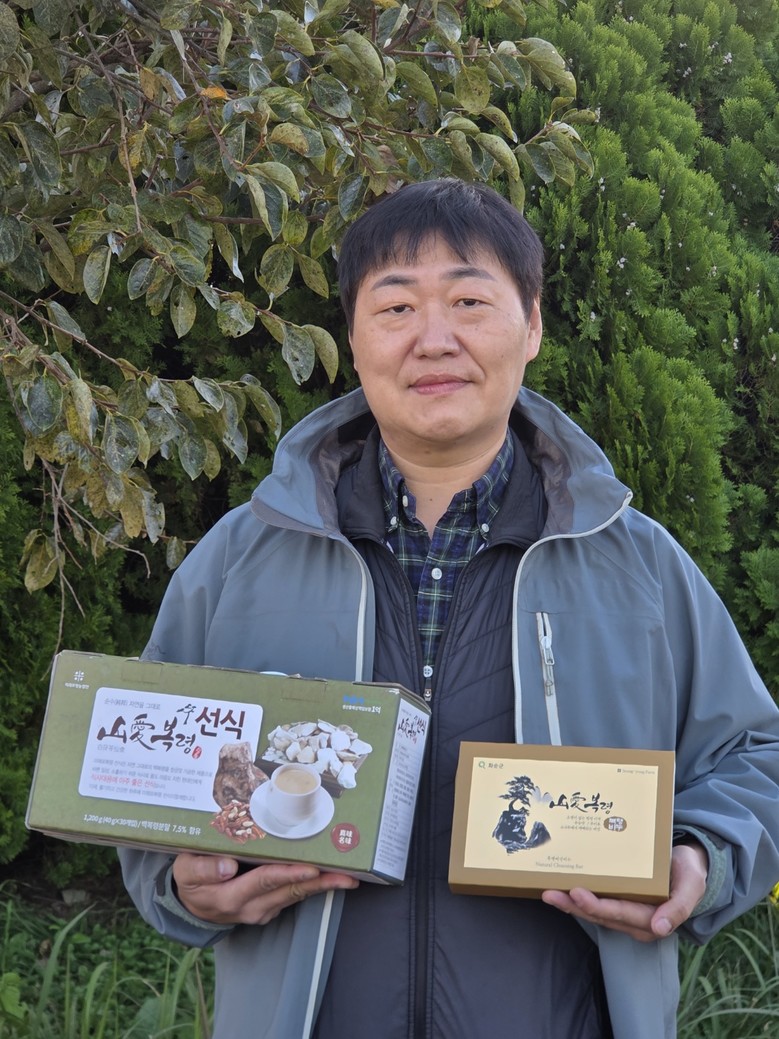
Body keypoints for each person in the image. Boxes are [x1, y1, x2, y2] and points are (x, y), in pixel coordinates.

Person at [119, 178, 779, 1039]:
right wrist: (179, 883)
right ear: (354, 339)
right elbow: (143, 778)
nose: (434, 339)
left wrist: (701, 854)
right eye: (395, 307)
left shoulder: (637, 564)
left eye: (469, 301)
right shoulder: (241, 558)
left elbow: (753, 753)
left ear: (531, 325)